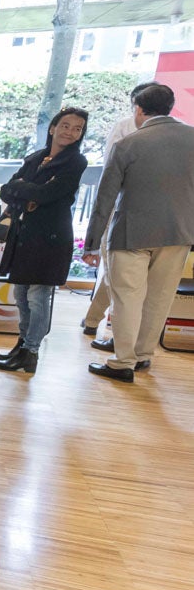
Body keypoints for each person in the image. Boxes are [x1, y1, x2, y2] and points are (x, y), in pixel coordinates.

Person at [83, 84, 194, 382]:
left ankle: (122, 362)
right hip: (179, 233)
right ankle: (144, 355)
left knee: (127, 297)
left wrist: (91, 243)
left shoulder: (129, 143)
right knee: (159, 297)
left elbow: (105, 198)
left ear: (139, 109)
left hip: (132, 233)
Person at [0, 107, 89, 374]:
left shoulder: (75, 162)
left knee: (38, 296)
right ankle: (22, 343)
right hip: (26, 234)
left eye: (77, 128)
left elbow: (49, 194)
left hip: (52, 237)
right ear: (53, 128)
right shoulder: (36, 157)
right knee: (21, 295)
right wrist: (29, 194)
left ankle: (31, 351)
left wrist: (26, 190)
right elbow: (6, 190)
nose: (70, 132)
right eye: (66, 125)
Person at [82, 82, 158, 337]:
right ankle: (99, 322)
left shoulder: (169, 132)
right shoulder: (126, 127)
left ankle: (97, 322)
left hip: (146, 214)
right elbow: (110, 173)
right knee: (116, 273)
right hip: (120, 209)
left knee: (125, 276)